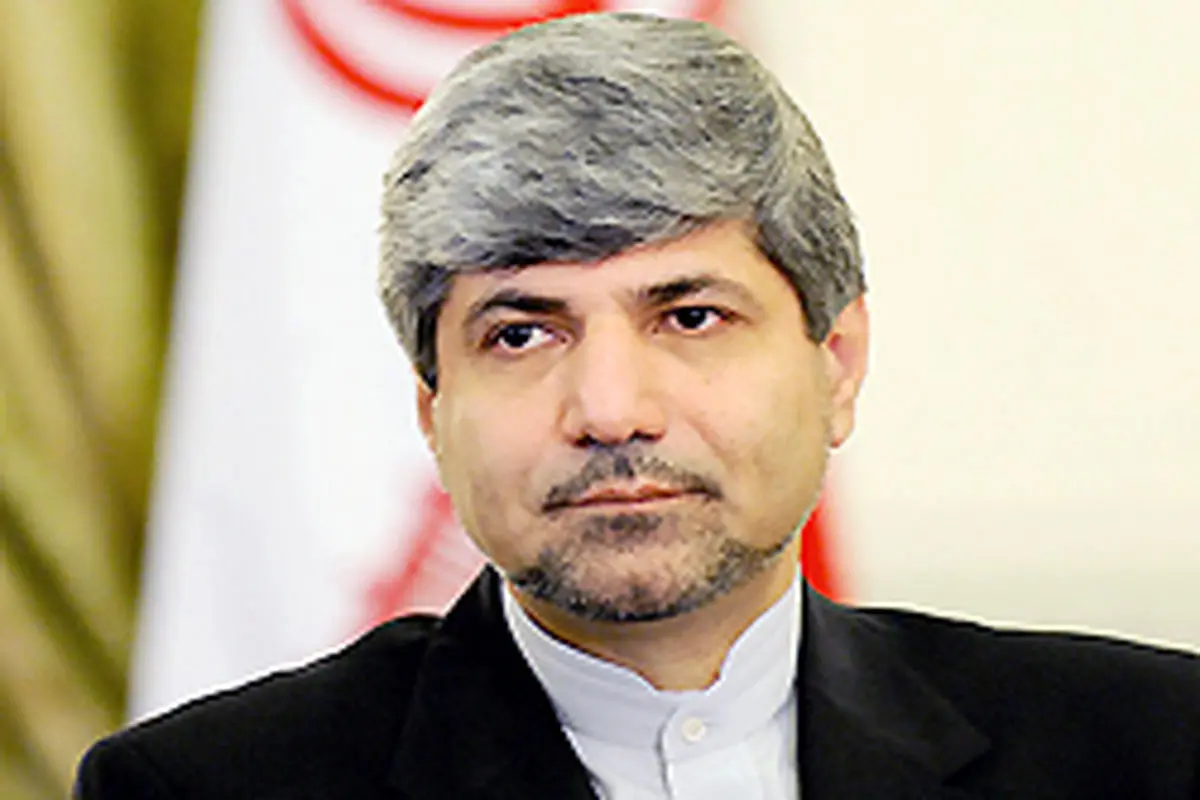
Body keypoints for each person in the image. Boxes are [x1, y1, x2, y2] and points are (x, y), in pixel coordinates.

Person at [76, 12, 1199, 799]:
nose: (611, 410)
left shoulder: (1151, 748)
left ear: (838, 362)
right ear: (431, 409)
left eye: (690, 316)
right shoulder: (200, 788)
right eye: (522, 333)